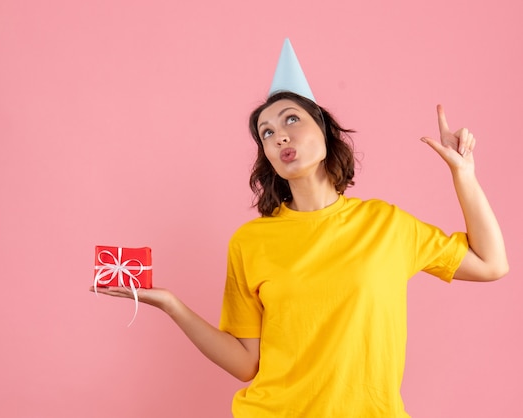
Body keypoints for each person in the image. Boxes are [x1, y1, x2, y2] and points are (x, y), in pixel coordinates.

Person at [90, 39, 509, 417]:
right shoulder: (250, 242)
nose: (278, 137)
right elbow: (244, 364)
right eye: (266, 133)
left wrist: (464, 175)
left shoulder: (387, 224)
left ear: (324, 130)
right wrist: (169, 303)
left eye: (291, 120)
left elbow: (492, 264)